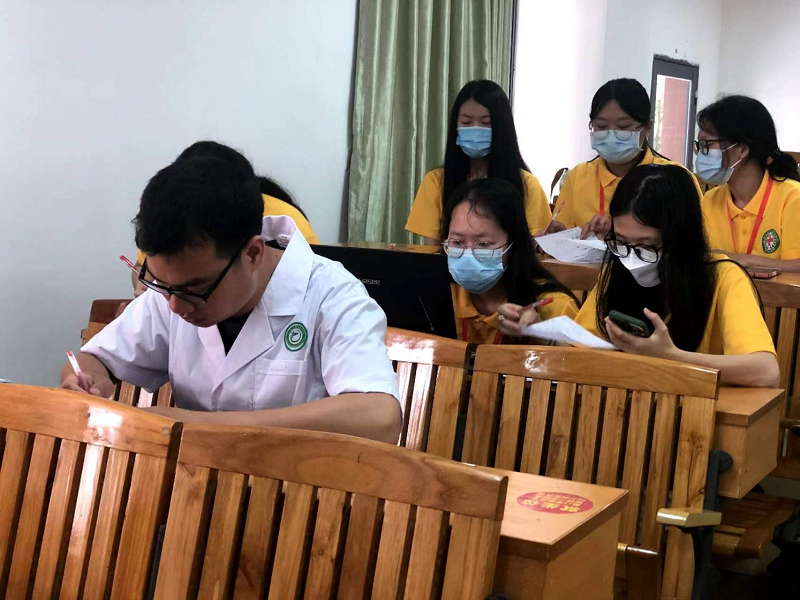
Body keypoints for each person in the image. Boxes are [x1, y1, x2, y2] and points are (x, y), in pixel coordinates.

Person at [63, 145, 401, 444]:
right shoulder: (174, 289)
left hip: (297, 489)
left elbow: (379, 418)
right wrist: (86, 378)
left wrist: (202, 427)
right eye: (161, 284)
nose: (176, 306)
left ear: (253, 253)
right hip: (192, 484)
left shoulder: (332, 296)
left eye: (196, 289)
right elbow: (98, 358)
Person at [501, 164, 779, 387]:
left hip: (695, 418)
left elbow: (766, 371)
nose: (631, 257)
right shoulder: (617, 270)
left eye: (646, 246)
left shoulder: (723, 278)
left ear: (680, 239)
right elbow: (582, 349)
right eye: (621, 242)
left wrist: (671, 356)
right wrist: (537, 328)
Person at [131, 141, 320, 296]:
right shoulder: (173, 217)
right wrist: (146, 285)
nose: (175, 305)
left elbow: (311, 278)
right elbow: (141, 265)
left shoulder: (287, 221)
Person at [547, 78, 703, 239]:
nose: (611, 134)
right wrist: (560, 238)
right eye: (601, 126)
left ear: (647, 128)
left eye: (623, 127)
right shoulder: (577, 177)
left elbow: (692, 244)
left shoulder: (676, 179)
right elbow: (564, 235)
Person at [405, 80, 551, 245]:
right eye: (466, 122)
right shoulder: (436, 181)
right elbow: (431, 250)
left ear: (502, 128)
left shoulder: (527, 184)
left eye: (486, 123)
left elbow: (531, 250)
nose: (475, 129)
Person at [442, 178, 578, 344]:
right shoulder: (435, 293)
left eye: (484, 244)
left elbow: (578, 359)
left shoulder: (554, 306)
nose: (467, 255)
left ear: (513, 245)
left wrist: (540, 336)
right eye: (457, 242)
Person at [696, 95, 800, 271]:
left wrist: (743, 260)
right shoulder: (709, 200)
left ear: (742, 149)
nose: (701, 154)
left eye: (707, 145)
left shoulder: (793, 198)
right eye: (699, 145)